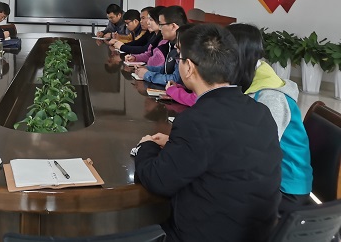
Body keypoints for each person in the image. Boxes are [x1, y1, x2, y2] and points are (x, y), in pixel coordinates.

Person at [133, 24, 282, 242]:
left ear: (189, 68)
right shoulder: (260, 111)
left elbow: (158, 180)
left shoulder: (196, 120)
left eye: (180, 58)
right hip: (258, 234)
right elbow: (222, 150)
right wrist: (175, 143)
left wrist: (146, 146)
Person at [228, 23, 313, 213]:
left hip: (286, 188)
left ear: (237, 55)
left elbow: (260, 153)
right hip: (268, 177)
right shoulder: (249, 81)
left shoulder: (271, 97)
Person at [135, 6, 188, 84]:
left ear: (173, 26)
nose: (160, 28)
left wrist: (147, 75)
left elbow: (176, 79)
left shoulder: (185, 45)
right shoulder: (171, 43)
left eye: (161, 25)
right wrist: (147, 68)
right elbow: (167, 69)